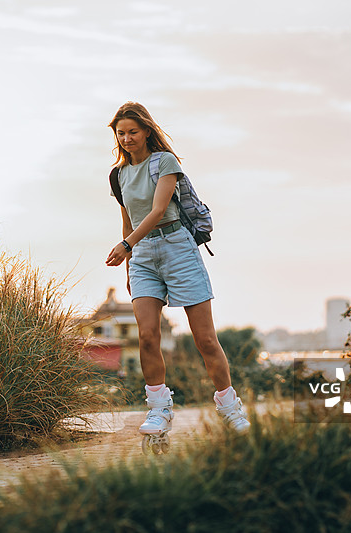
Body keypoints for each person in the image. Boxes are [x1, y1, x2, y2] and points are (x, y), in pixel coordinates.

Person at [105, 101, 251, 436]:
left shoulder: (165, 162)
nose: (127, 138)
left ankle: (230, 409)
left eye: (133, 132)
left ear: (146, 131)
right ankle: (159, 410)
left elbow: (157, 211)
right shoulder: (119, 175)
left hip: (177, 249)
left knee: (205, 340)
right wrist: (130, 265)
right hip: (142, 257)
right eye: (121, 133)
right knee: (146, 336)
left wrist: (126, 245)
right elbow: (128, 220)